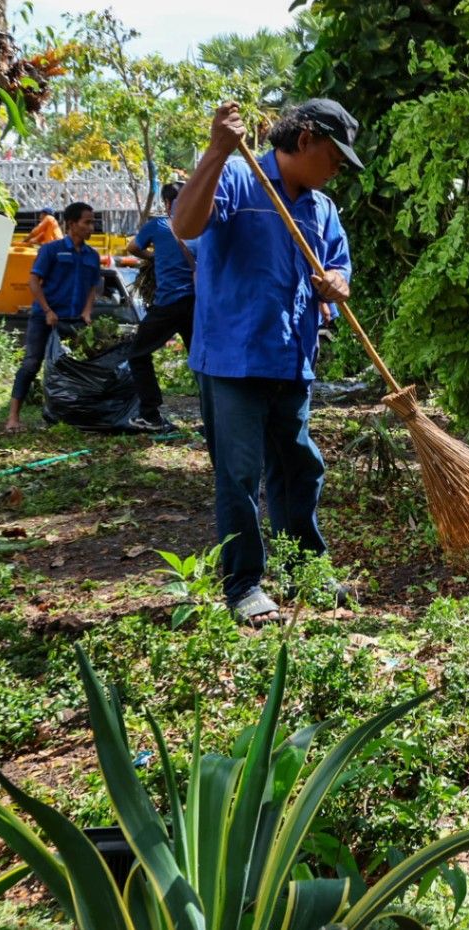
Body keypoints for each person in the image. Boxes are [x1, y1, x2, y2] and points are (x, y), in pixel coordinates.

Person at [173, 97, 359, 623]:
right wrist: (214, 151)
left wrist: (337, 284)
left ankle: (305, 572)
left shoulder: (322, 209)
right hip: (233, 357)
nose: (337, 168)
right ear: (304, 140)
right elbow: (186, 225)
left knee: (299, 468)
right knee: (239, 474)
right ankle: (244, 586)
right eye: (334, 155)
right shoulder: (237, 175)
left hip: (291, 357)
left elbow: (339, 267)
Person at [4, 202, 101, 433]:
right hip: (45, 318)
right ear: (71, 224)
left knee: (78, 368)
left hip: (74, 320)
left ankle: (73, 415)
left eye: (92, 222)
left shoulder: (92, 256)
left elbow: (93, 287)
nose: (92, 226)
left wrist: (87, 311)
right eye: (87, 222)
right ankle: (13, 417)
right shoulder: (51, 250)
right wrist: (47, 310)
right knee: (31, 364)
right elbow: (34, 281)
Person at [125, 182, 197, 431]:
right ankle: (214, 418)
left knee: (137, 353)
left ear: (167, 204)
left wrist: (153, 257)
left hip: (169, 303)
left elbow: (133, 248)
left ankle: (150, 414)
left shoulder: (158, 225)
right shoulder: (200, 228)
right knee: (202, 360)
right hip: (196, 305)